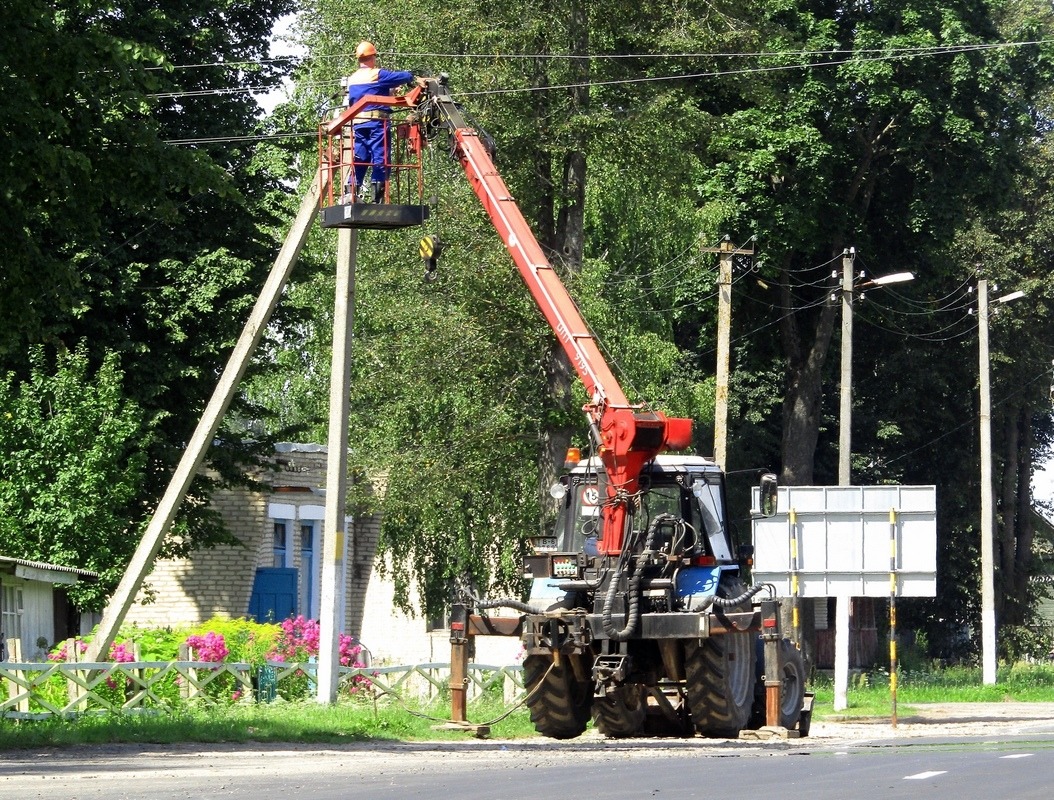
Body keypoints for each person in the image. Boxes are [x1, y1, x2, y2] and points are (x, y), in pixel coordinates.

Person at [346, 40, 418, 203]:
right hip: (377, 123)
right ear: (373, 57)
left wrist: (389, 92)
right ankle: (377, 199)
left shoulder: (352, 79)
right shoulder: (377, 74)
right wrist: (411, 75)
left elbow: (366, 94)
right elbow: (400, 77)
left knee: (360, 158)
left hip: (359, 125)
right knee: (381, 158)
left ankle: (350, 192)